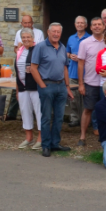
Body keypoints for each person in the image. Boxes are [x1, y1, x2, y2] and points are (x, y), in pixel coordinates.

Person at [29, 22, 74, 156]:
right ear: (48, 32)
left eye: (58, 32)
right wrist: (42, 85)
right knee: (46, 117)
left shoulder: (62, 47)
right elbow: (33, 68)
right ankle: (46, 145)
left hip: (61, 86)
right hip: (47, 85)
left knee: (59, 117)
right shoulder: (40, 47)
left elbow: (65, 68)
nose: (56, 34)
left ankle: (55, 144)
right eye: (53, 31)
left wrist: (67, 87)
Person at [76, 17, 106, 146]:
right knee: (88, 109)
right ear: (91, 27)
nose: (97, 27)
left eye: (99, 24)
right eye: (94, 25)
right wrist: (81, 83)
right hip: (90, 82)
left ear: (104, 26)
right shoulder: (85, 43)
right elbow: (80, 64)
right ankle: (82, 136)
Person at [15, 29, 43, 150]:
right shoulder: (19, 51)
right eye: (23, 37)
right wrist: (17, 89)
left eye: (28, 37)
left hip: (35, 87)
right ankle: (29, 138)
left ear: (33, 38)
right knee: (25, 111)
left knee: (39, 112)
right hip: (22, 87)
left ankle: (41, 139)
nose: (26, 39)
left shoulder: (37, 50)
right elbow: (17, 72)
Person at [65, 16, 89, 126]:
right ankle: (74, 119)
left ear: (86, 25)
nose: (79, 25)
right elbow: (65, 53)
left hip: (86, 73)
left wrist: (81, 57)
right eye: (77, 23)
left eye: (82, 23)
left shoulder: (90, 38)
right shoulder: (71, 38)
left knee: (86, 98)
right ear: (75, 25)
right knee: (73, 97)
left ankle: (85, 119)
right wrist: (70, 55)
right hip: (72, 72)